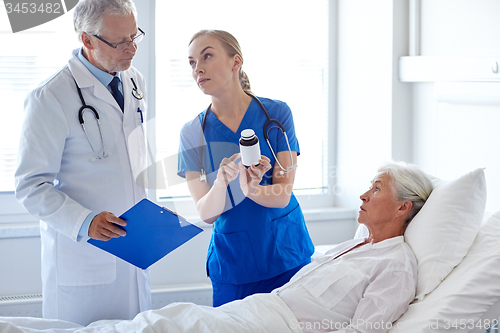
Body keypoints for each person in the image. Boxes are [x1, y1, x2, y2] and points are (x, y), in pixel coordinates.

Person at [2, 161, 434, 333]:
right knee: (157, 322)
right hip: (258, 310)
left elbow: (365, 332)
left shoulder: (395, 265)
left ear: (402, 206)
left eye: (375, 189)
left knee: (156, 328)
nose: (363, 195)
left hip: (273, 325)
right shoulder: (356, 245)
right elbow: (207, 208)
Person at [14, 0, 150, 326]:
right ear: (87, 40)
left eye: (135, 36)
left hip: (135, 247)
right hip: (85, 259)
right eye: (119, 42)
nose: (131, 48)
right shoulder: (50, 97)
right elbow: (31, 185)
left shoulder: (134, 81)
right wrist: (85, 222)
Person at [177, 30, 315, 306]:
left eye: (207, 56)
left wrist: (249, 189)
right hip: (233, 265)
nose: (198, 68)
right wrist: (221, 183)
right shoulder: (193, 132)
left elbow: (283, 194)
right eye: (192, 62)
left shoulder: (276, 115)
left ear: (235, 61)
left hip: (285, 254)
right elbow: (205, 212)